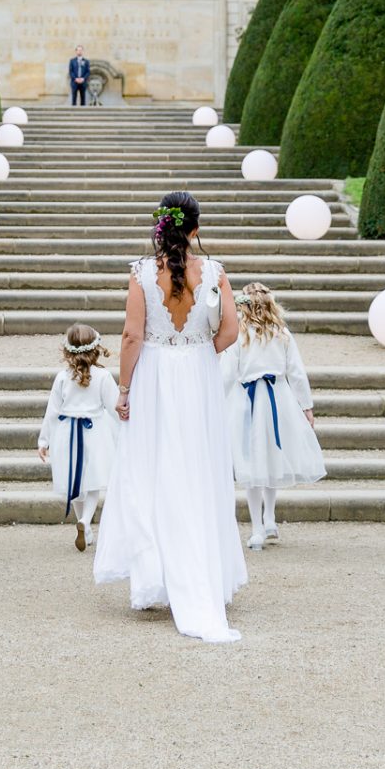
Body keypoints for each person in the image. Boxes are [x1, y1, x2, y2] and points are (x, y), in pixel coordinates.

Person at [94, 191, 247, 644]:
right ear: (195, 229)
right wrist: (201, 355)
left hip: (155, 377)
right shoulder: (215, 271)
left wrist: (124, 389)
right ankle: (204, 575)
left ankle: (157, 574)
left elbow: (130, 336)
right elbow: (232, 330)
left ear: (159, 227)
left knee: (152, 471)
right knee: (199, 472)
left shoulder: (143, 272)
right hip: (197, 376)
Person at [223, 283, 324, 550]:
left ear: (244, 306)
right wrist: (305, 405)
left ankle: (258, 524)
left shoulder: (239, 336)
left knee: (252, 462)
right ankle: (269, 519)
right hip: (278, 399)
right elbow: (297, 373)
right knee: (270, 458)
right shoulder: (282, 333)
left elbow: (227, 374)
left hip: (248, 403)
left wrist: (217, 401)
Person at [39, 323, 121, 552]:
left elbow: (52, 410)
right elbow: (115, 408)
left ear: (67, 351)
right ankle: (86, 521)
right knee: (93, 481)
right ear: (96, 349)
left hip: (66, 433)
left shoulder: (62, 378)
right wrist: (128, 429)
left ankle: (85, 526)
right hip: (95, 432)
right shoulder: (103, 376)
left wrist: (43, 440)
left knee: (72, 481)